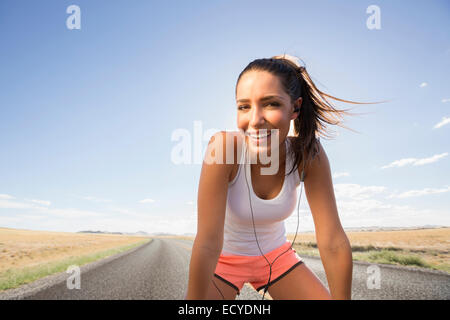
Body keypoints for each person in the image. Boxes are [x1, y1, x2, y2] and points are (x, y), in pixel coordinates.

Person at [185, 54, 360, 300]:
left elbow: (332, 240)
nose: (255, 120)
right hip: (222, 261)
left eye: (270, 104)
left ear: (295, 108)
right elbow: (208, 242)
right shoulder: (223, 148)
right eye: (244, 106)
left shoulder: (310, 153)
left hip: (277, 258)